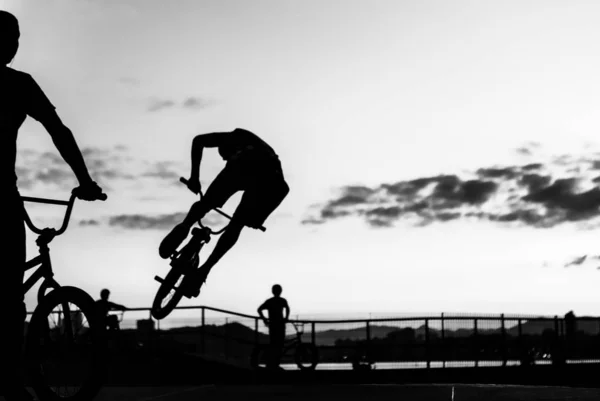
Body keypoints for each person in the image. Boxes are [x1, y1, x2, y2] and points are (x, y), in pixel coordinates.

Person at [1, 10, 105, 401]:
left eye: (16, 38)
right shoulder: (19, 85)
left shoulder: (20, 84)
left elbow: (59, 131)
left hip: (4, 194)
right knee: (11, 296)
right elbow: (58, 131)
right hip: (2, 195)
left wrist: (83, 178)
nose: (13, 45)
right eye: (11, 38)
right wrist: (85, 182)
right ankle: (10, 383)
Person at [159, 128, 289, 298]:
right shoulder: (265, 154)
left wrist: (194, 177)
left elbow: (198, 140)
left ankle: (184, 227)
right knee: (236, 226)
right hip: (268, 177)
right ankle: (203, 272)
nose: (225, 161)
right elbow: (283, 189)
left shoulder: (233, 139)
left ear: (230, 150)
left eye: (225, 158)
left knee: (206, 203)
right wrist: (259, 218)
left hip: (251, 169)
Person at [257, 284, 290, 369]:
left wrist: (264, 319)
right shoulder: (283, 300)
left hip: (273, 325)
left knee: (274, 343)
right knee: (280, 344)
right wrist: (286, 318)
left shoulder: (269, 301)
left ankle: (272, 363)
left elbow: (259, 309)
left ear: (272, 291)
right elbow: (287, 308)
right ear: (280, 291)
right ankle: (275, 363)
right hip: (280, 325)